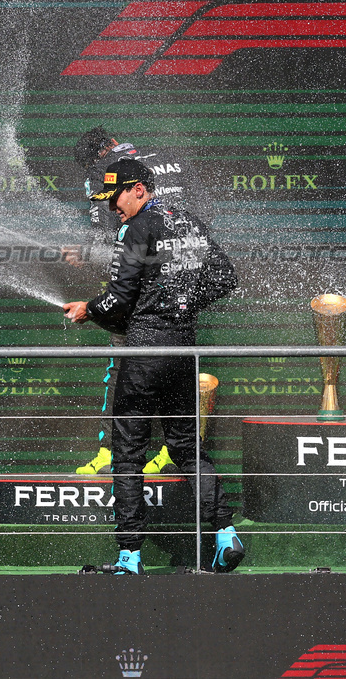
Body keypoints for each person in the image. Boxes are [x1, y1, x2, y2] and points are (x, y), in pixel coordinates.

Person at [62, 158, 242, 575]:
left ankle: (129, 556)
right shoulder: (188, 222)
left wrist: (89, 309)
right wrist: (179, 306)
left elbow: (118, 301)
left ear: (139, 189)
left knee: (127, 455)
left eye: (116, 198)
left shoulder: (136, 228)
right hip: (182, 351)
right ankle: (226, 532)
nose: (113, 210)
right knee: (185, 448)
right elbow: (225, 277)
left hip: (144, 353)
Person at [69, 127, 210, 477]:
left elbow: (111, 234)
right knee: (176, 373)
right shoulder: (167, 162)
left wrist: (84, 254)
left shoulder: (106, 172)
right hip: (181, 291)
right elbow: (197, 224)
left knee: (125, 367)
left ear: (96, 156)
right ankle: (172, 452)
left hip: (137, 295)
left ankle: (111, 454)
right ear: (113, 143)